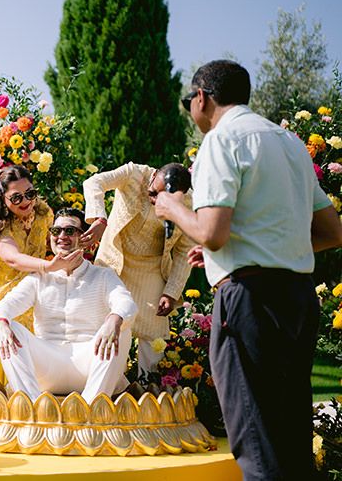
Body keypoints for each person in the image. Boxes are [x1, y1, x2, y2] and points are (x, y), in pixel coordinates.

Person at [154, 59, 342, 480]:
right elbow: (332, 231)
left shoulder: (222, 141)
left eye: (190, 101)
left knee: (256, 437)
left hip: (249, 304)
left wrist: (173, 207)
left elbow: (212, 232)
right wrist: (252, 248)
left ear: (201, 97)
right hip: (296, 297)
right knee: (290, 432)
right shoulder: (290, 143)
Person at [0, 165, 81, 385]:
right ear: (2, 198)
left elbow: (52, 243)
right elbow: (12, 258)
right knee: (3, 328)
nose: (26, 202)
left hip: (28, 275)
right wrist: (50, 267)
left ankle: (34, 388)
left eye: (30, 193)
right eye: (16, 197)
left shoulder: (42, 211)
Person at [0, 208, 137, 403]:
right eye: (56, 231)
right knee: (8, 327)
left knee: (121, 328)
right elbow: (4, 306)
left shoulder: (103, 276)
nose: (61, 236)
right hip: (48, 367)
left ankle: (89, 409)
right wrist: (0, 324)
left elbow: (126, 303)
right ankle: (34, 408)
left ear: (84, 237)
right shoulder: (39, 278)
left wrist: (113, 321)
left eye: (70, 231)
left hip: (91, 364)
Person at [81, 162, 194, 375]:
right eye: (152, 193)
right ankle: (111, 385)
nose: (153, 200)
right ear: (152, 177)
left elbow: (183, 252)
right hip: (113, 262)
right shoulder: (133, 173)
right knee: (106, 326)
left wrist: (171, 292)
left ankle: (150, 390)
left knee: (154, 331)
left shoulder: (188, 204)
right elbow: (94, 182)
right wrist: (99, 218)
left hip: (151, 268)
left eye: (162, 200)